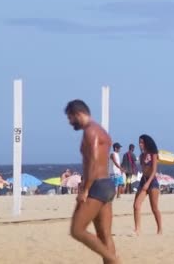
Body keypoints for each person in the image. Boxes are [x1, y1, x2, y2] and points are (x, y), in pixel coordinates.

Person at [64, 99, 120, 264]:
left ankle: (113, 260)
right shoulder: (102, 131)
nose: (69, 122)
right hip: (107, 184)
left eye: (70, 117)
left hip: (96, 185)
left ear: (78, 114)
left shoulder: (91, 132)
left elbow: (94, 163)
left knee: (77, 230)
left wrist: (85, 189)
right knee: (104, 236)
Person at [133, 134, 162, 236]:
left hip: (152, 181)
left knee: (154, 208)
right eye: (139, 142)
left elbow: (154, 170)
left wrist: (148, 183)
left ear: (146, 143)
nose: (140, 144)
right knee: (136, 205)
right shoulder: (141, 156)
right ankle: (137, 229)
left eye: (141, 142)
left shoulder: (153, 154)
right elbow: (143, 170)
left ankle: (160, 229)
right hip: (143, 180)